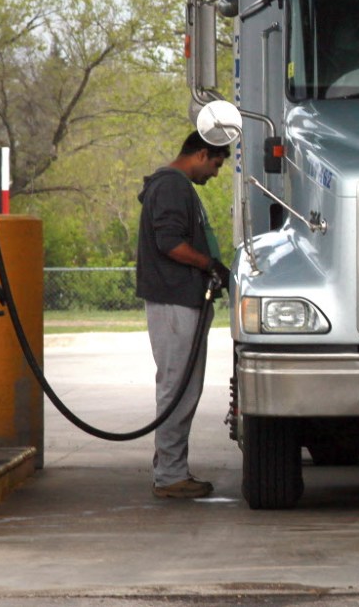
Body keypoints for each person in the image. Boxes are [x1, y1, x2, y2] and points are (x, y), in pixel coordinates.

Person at [136, 131, 231, 499]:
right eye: (216, 164)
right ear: (201, 153)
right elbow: (170, 242)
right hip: (174, 301)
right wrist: (209, 264)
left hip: (182, 300)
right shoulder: (172, 186)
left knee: (182, 387)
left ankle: (169, 469)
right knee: (177, 389)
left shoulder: (175, 186)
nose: (216, 173)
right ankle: (170, 476)